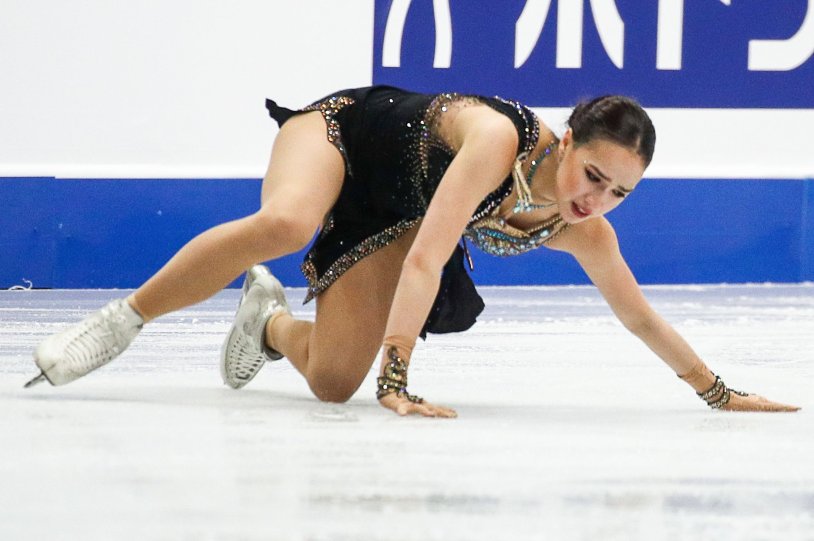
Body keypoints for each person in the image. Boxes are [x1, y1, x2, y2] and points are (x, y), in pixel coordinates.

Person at [25, 85, 799, 416]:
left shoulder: (582, 226)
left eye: (620, 192)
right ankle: (123, 320)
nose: (597, 199)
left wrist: (716, 391)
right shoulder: (498, 141)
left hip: (394, 212)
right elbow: (429, 256)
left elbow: (639, 316)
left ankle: (268, 323)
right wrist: (397, 381)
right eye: (593, 175)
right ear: (566, 142)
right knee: (288, 222)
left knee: (333, 383)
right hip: (343, 137)